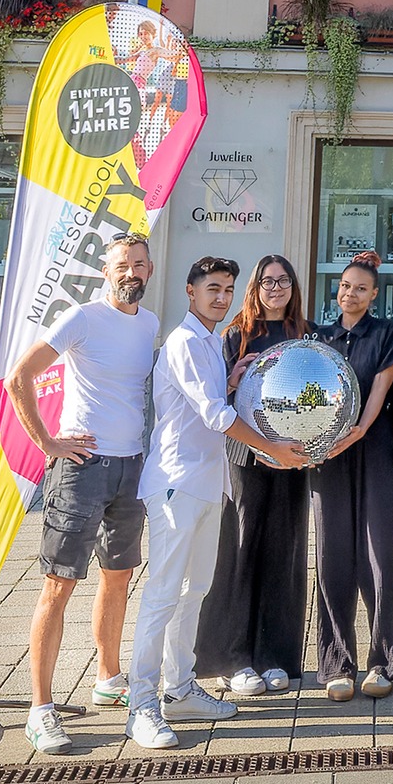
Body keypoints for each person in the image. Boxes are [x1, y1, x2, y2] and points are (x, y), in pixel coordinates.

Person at [127, 257, 310, 750]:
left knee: (195, 589)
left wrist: (230, 380)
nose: (222, 297)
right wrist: (272, 447)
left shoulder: (210, 342)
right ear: (190, 292)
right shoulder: (186, 341)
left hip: (210, 485)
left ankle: (180, 688)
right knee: (163, 594)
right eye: (212, 288)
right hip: (176, 484)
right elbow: (214, 415)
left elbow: (210, 397)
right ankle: (141, 705)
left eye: (228, 289)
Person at [3, 232, 159, 755]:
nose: (130, 272)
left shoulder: (151, 325)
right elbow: (18, 377)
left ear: (150, 270)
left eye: (139, 263)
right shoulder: (83, 318)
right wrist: (47, 441)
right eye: (121, 264)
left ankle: (108, 677)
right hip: (81, 468)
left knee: (118, 579)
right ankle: (40, 710)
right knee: (59, 585)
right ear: (104, 270)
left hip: (131, 467)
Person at [196, 255, 313, 697]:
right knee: (241, 551)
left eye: (284, 280)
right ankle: (234, 658)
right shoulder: (235, 335)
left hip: (292, 463)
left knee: (283, 557)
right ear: (256, 286)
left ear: (293, 286)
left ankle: (276, 657)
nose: (276, 287)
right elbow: (219, 397)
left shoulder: (306, 334)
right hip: (246, 460)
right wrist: (232, 377)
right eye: (268, 281)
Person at [311, 253, 393, 701]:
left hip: (372, 453)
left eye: (361, 288)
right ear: (339, 289)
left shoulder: (387, 334)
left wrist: (357, 434)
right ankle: (336, 664)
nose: (351, 293)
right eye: (346, 286)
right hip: (326, 459)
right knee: (332, 555)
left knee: (379, 556)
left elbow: (378, 397)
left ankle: (382, 664)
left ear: (373, 295)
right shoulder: (318, 337)